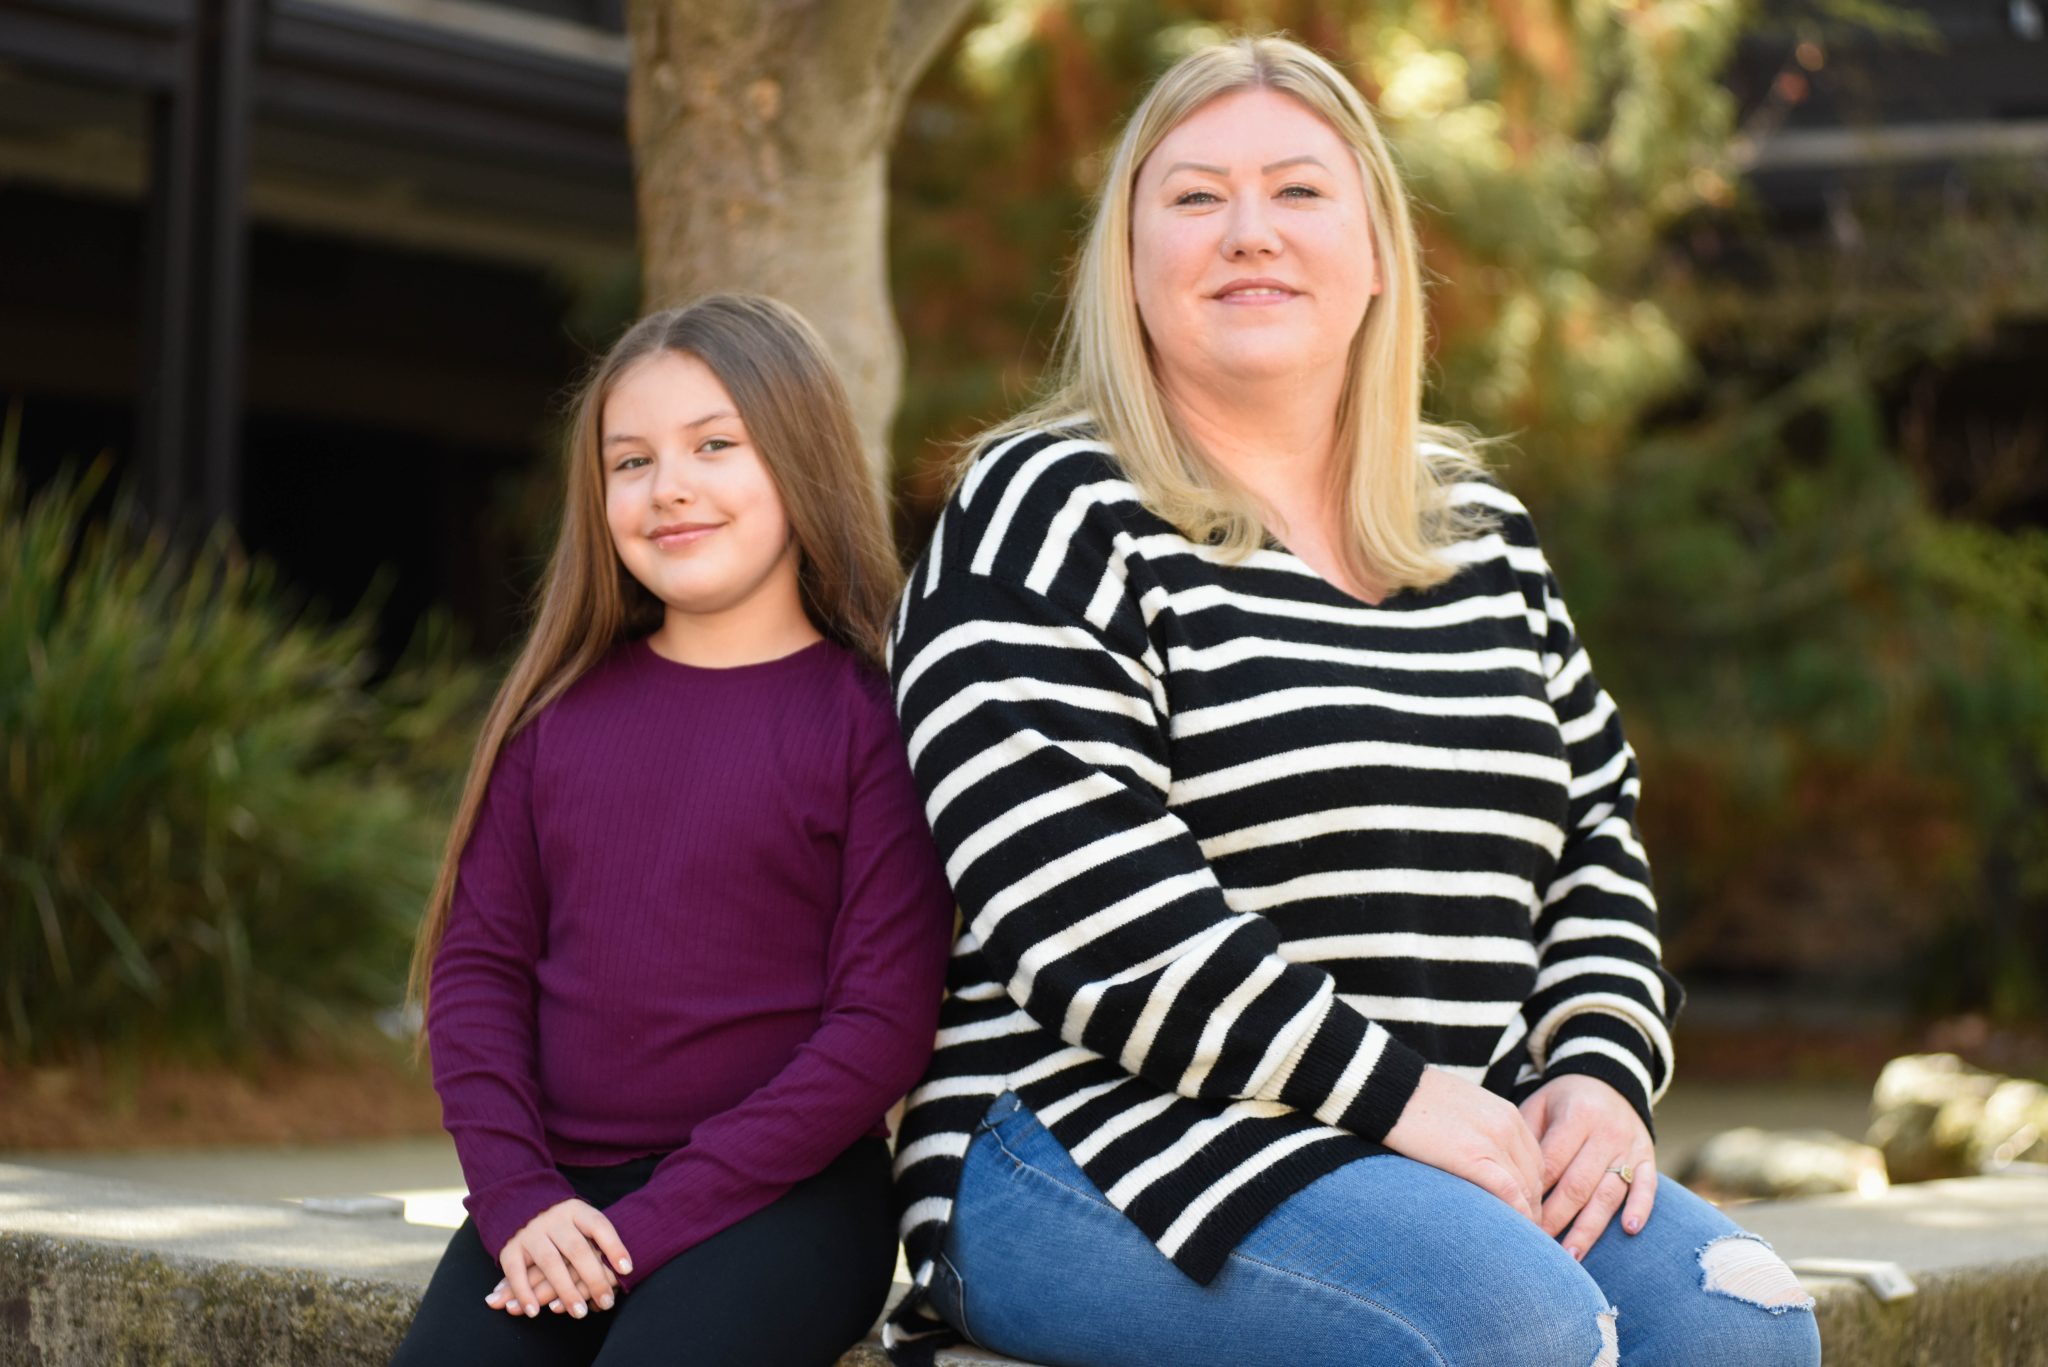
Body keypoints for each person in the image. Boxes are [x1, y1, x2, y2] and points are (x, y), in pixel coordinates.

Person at [882, 35, 1821, 1367]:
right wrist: (1389, 1093)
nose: (1248, 231)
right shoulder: (1049, 508)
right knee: (1508, 1327)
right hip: (1088, 1130)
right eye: (1195, 197)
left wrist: (1600, 1069)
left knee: (1742, 1317)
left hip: (1447, 1140)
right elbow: (1069, 892)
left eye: (1300, 192)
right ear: (1129, 262)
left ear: (1377, 252)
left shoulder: (1479, 533)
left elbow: (1593, 832)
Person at [390, 294, 955, 1367]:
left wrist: (642, 1229)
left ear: (799, 456)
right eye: (629, 460)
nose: (670, 487)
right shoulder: (553, 715)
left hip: (781, 1200)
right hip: (551, 1196)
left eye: (714, 444)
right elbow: (475, 974)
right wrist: (518, 1200)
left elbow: (878, 1025)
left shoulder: (872, 720)